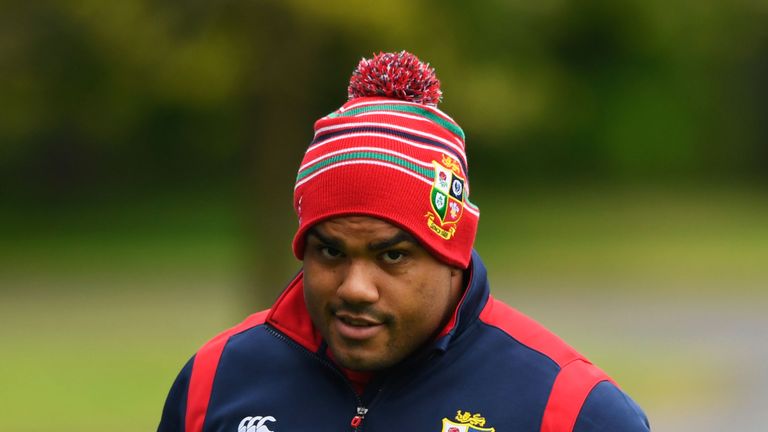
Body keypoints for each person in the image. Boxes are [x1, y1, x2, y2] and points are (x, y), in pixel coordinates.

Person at [158, 51, 650, 432]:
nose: (355, 288)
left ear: (451, 255)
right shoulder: (215, 381)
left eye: (392, 255)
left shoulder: (569, 409)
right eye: (330, 250)